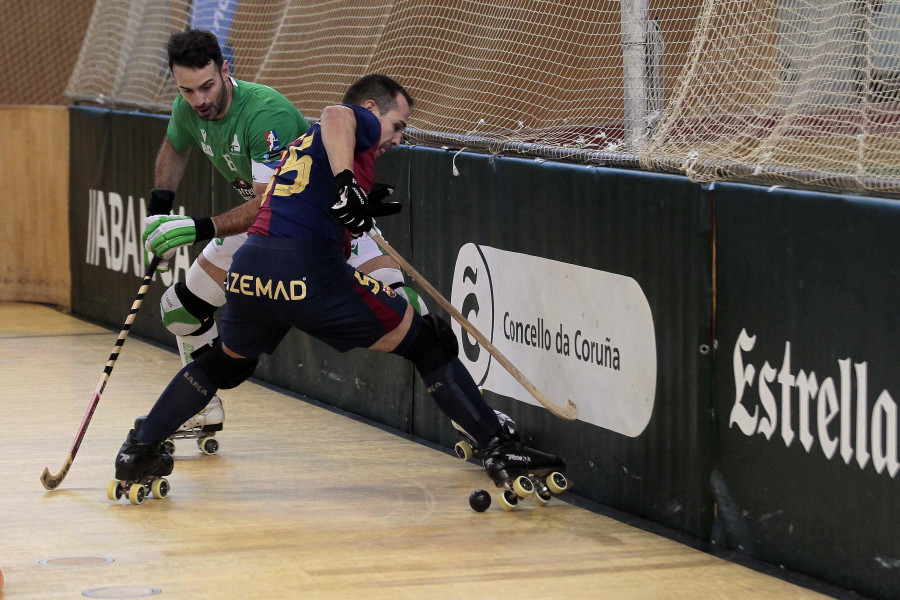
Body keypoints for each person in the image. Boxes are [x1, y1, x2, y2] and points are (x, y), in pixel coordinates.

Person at [116, 74, 565, 499]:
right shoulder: (356, 122)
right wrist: (349, 183)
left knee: (225, 364)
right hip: (306, 269)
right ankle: (499, 447)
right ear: (372, 109)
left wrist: (359, 199)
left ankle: (140, 448)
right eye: (397, 125)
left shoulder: (306, 149)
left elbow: (301, 198)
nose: (397, 138)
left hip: (251, 267)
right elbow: (336, 113)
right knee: (429, 341)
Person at [145, 29, 428, 445]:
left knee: (410, 309)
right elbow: (175, 147)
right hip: (266, 232)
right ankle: (202, 409)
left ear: (225, 71)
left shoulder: (265, 115)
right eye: (188, 91)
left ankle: (472, 421)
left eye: (207, 86)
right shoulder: (188, 108)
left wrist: (196, 228)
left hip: (320, 221)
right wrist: (159, 210)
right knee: (180, 311)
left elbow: (267, 202)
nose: (200, 100)